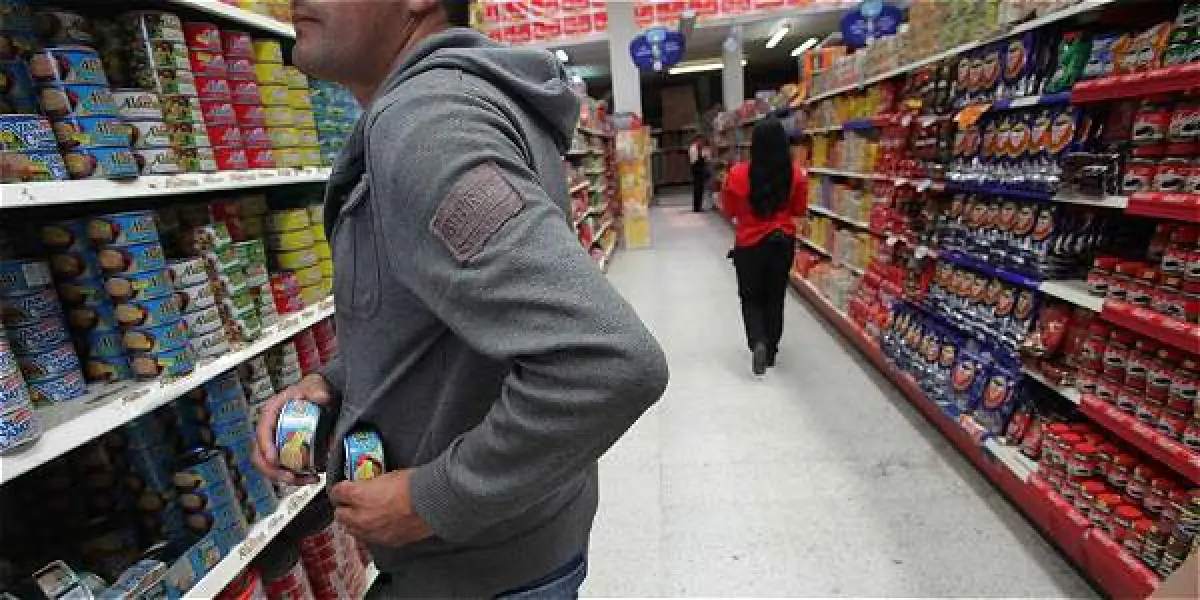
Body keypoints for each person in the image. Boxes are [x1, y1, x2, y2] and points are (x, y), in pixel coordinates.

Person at [252, 1, 670, 597]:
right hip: (522, 536)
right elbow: (457, 324)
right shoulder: (455, 103)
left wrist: (430, 500)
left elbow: (609, 362)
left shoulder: (428, 126)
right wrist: (335, 382)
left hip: (485, 571)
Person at [719, 117, 807, 375]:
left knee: (750, 298)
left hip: (749, 243)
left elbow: (729, 209)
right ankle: (771, 352)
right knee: (775, 298)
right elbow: (798, 209)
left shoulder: (737, 174)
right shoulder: (797, 175)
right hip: (782, 241)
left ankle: (757, 341)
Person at [688, 134, 710, 212]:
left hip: (701, 167)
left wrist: (705, 153)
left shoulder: (704, 147)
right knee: (697, 187)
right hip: (696, 168)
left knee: (701, 187)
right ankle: (696, 207)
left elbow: (707, 158)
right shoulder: (693, 148)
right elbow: (693, 159)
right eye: (700, 140)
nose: (701, 142)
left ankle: (699, 206)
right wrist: (702, 153)